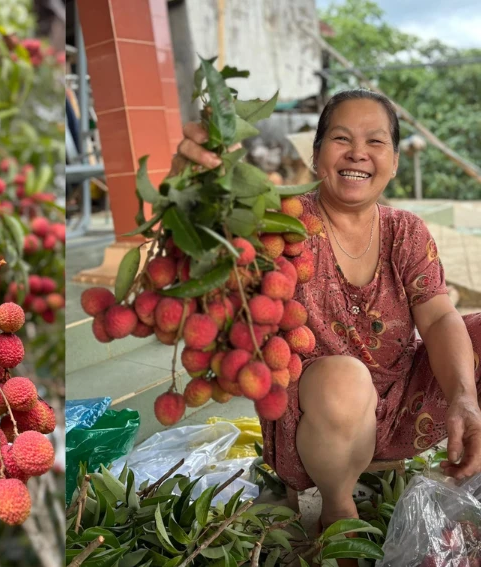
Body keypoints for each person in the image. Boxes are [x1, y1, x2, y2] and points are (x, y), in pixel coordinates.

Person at [171, 89, 481, 531]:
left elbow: (439, 318)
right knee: (345, 379)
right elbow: (211, 241)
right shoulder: (281, 222)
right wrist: (193, 189)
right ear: (316, 156)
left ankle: (470, 473)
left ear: (394, 161)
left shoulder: (406, 231)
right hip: (312, 416)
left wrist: (463, 398)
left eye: (376, 141)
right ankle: (336, 508)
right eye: (341, 139)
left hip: (400, 409)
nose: (358, 153)